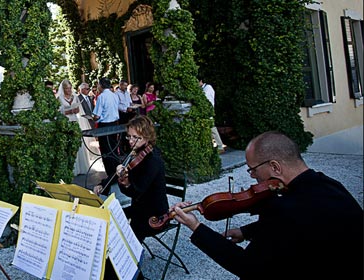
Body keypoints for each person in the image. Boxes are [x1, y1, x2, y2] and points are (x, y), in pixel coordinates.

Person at [170, 131, 363, 279]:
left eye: (253, 170)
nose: (253, 177)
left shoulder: (285, 209)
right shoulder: (328, 185)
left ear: (275, 167)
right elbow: (306, 226)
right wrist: (247, 232)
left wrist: (195, 226)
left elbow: (247, 266)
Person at [93, 116, 168, 242]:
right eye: (129, 136)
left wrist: (126, 183)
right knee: (111, 218)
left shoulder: (153, 159)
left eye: (136, 137)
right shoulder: (136, 152)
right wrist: (103, 185)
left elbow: (137, 191)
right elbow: (117, 174)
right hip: (139, 207)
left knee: (125, 234)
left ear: (147, 137)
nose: (131, 141)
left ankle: (129, 256)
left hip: (154, 213)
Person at [92, 77, 121, 187]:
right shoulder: (114, 95)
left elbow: (97, 115)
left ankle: (111, 174)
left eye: (98, 85)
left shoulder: (101, 97)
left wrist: (93, 118)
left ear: (101, 85)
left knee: (106, 150)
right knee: (114, 148)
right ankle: (116, 171)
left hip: (105, 125)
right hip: (114, 124)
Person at [199, 78, 225, 153]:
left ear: (201, 81)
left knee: (212, 129)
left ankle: (220, 146)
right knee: (209, 130)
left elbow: (205, 100)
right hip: (206, 112)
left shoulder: (207, 88)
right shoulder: (204, 88)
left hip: (208, 112)